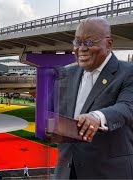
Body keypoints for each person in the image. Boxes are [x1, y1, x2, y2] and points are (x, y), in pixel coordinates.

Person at [54, 17, 133, 179]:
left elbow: (127, 107)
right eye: (77, 42)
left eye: (89, 43)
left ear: (109, 44)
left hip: (108, 172)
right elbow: (56, 113)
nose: (81, 49)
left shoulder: (128, 72)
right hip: (67, 172)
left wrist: (97, 117)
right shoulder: (66, 74)